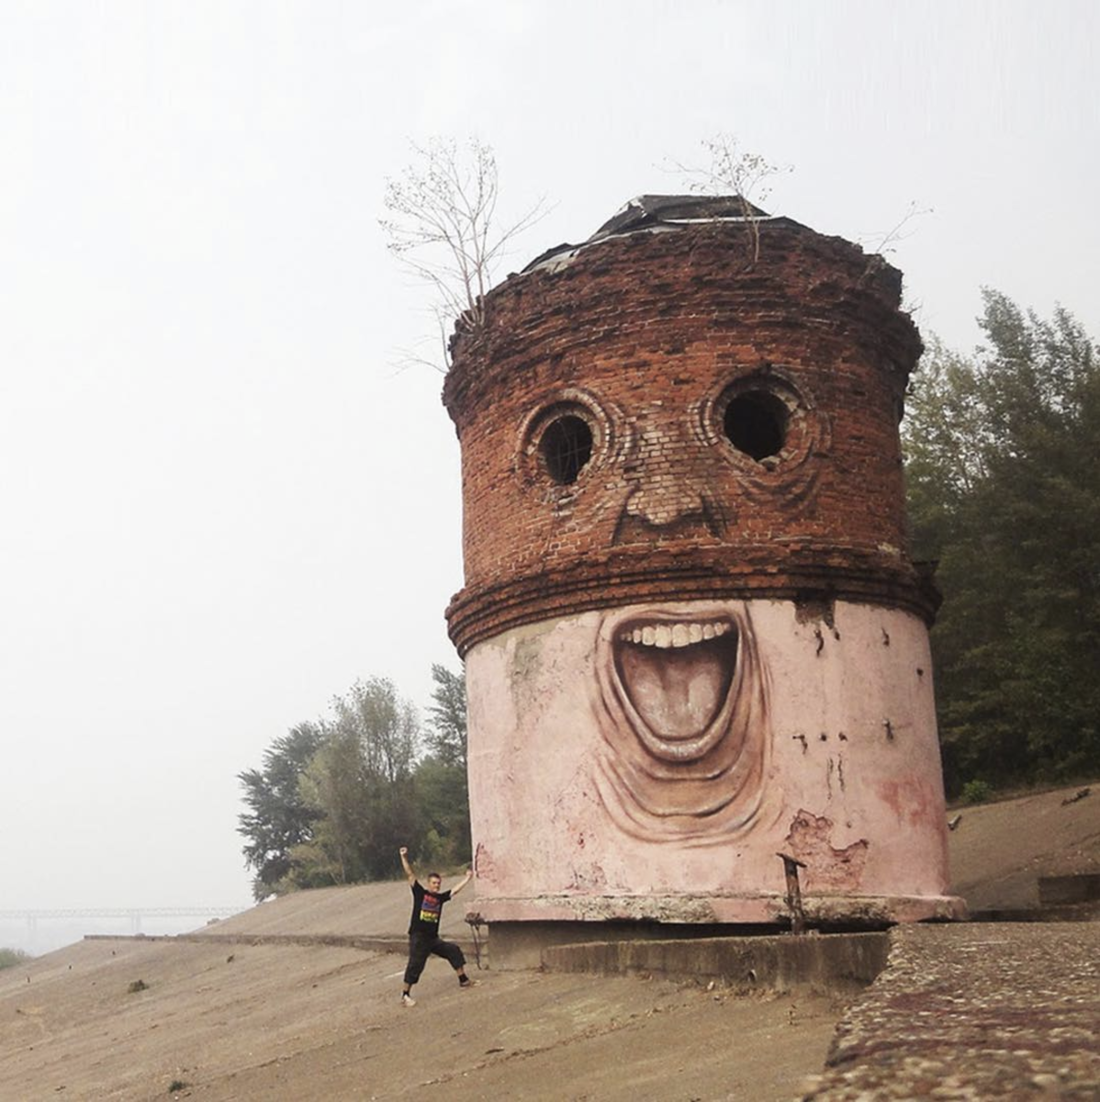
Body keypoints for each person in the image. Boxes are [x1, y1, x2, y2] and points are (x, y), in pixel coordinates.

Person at [398, 846, 474, 1008]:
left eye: (438, 883)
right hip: (418, 936)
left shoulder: (440, 898)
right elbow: (410, 875)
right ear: (428, 883)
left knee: (452, 950)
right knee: (416, 964)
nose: (436, 886)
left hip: (433, 938)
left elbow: (454, 891)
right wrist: (404, 857)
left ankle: (463, 980)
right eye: (434, 883)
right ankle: (405, 995)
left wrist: (467, 879)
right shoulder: (420, 893)